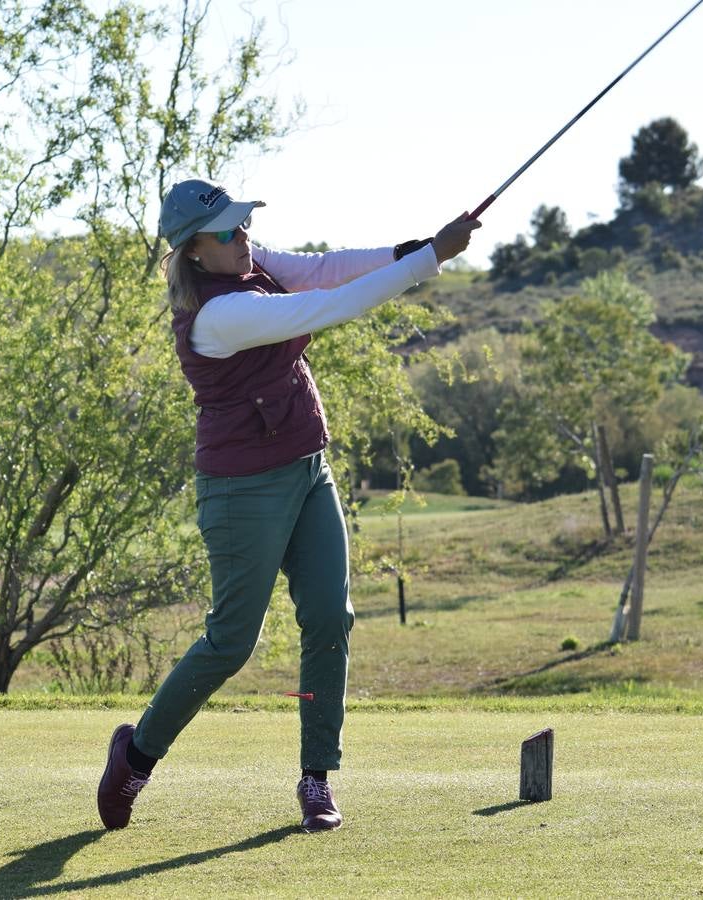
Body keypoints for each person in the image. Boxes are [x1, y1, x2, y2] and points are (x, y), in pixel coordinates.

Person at [97, 179, 479, 832]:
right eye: (228, 231)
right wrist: (430, 259)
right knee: (230, 643)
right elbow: (325, 307)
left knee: (330, 617)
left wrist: (406, 251)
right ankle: (136, 754)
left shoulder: (250, 260)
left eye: (243, 224)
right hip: (242, 488)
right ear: (194, 252)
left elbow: (322, 270)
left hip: (306, 468)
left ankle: (316, 778)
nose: (243, 236)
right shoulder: (218, 316)